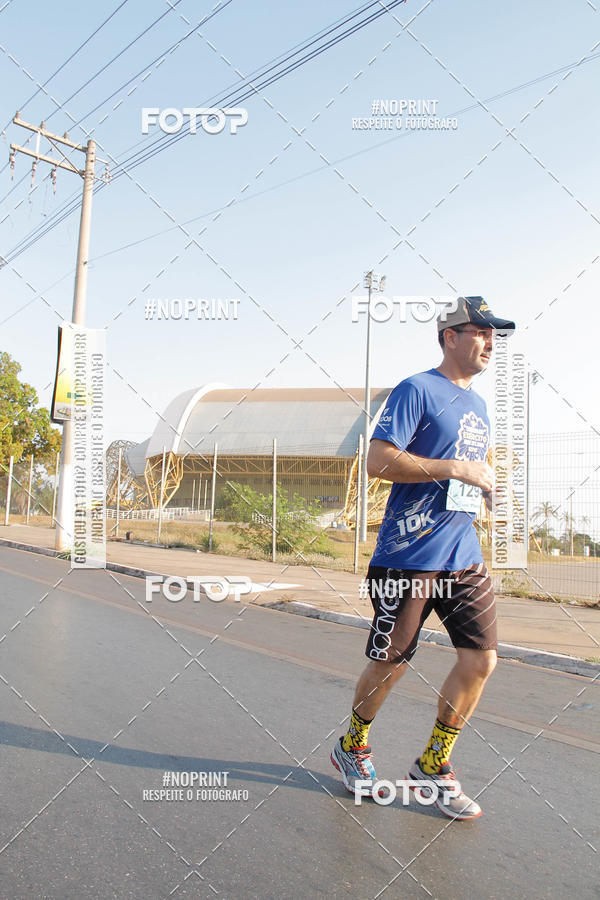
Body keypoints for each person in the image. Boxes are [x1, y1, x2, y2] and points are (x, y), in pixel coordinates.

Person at [331, 296, 515, 820]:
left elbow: (463, 470)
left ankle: (434, 765)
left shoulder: (479, 406)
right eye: (480, 331)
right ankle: (353, 747)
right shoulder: (417, 389)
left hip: (462, 554)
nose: (489, 342)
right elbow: (378, 460)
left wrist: (480, 487)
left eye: (494, 334)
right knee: (391, 663)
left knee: (481, 659)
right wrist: (456, 468)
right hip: (408, 556)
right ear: (450, 336)